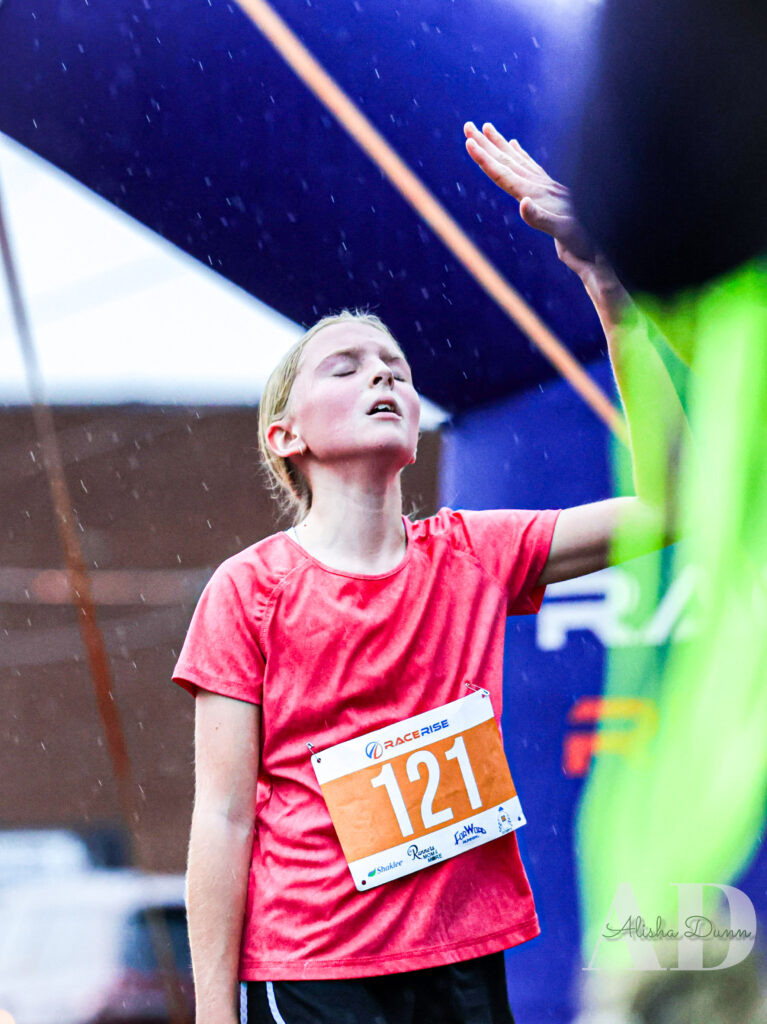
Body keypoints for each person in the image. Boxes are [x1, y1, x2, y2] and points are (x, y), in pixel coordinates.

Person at [171, 123, 686, 1024]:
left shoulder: (475, 554)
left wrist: (605, 286)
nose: (383, 378)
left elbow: (670, 506)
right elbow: (221, 817)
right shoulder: (248, 590)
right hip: (312, 970)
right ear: (283, 436)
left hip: (460, 965)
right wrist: (216, 1014)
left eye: (397, 372)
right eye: (347, 366)